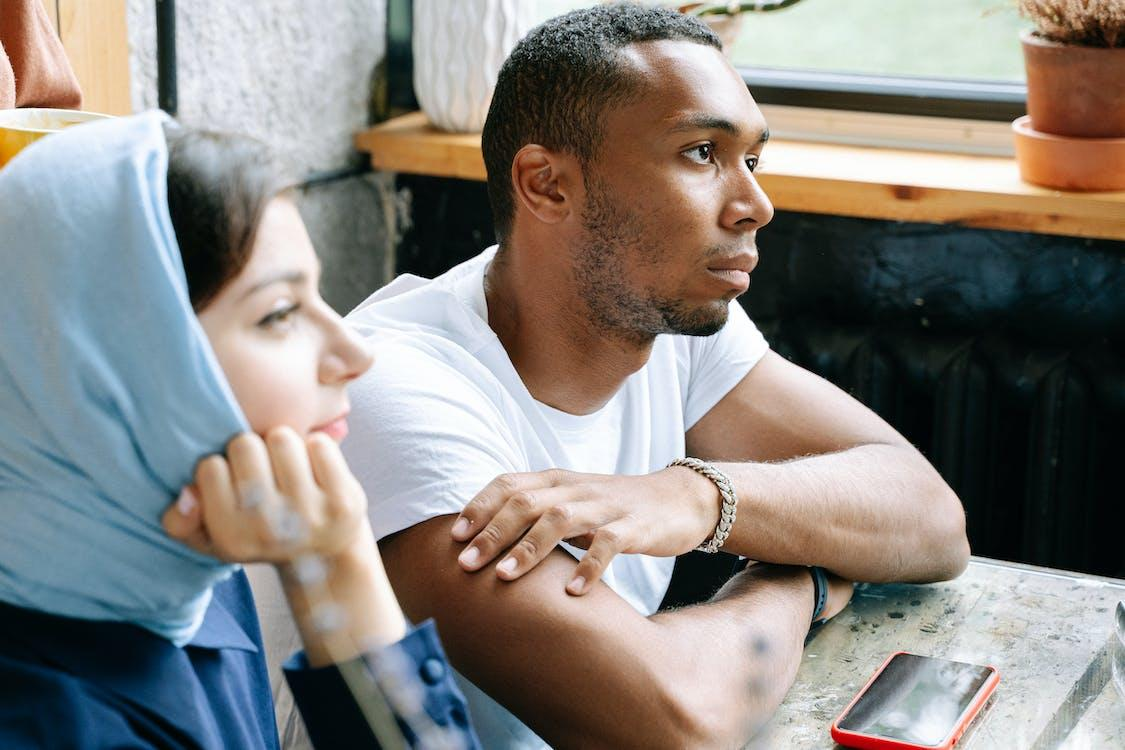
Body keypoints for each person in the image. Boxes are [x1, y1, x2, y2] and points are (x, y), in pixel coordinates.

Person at [342, 4, 971, 748]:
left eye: (751, 160)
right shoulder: (397, 394)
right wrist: (799, 579)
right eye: (701, 152)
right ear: (546, 185)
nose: (755, 206)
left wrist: (699, 495)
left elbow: (933, 520)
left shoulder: (666, 318)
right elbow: (675, 724)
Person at [0, 111, 478, 749]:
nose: (354, 353)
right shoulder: (40, 723)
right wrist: (337, 577)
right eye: (279, 313)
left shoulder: (195, 569)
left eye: (318, 296)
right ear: (114, 371)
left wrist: (333, 560)